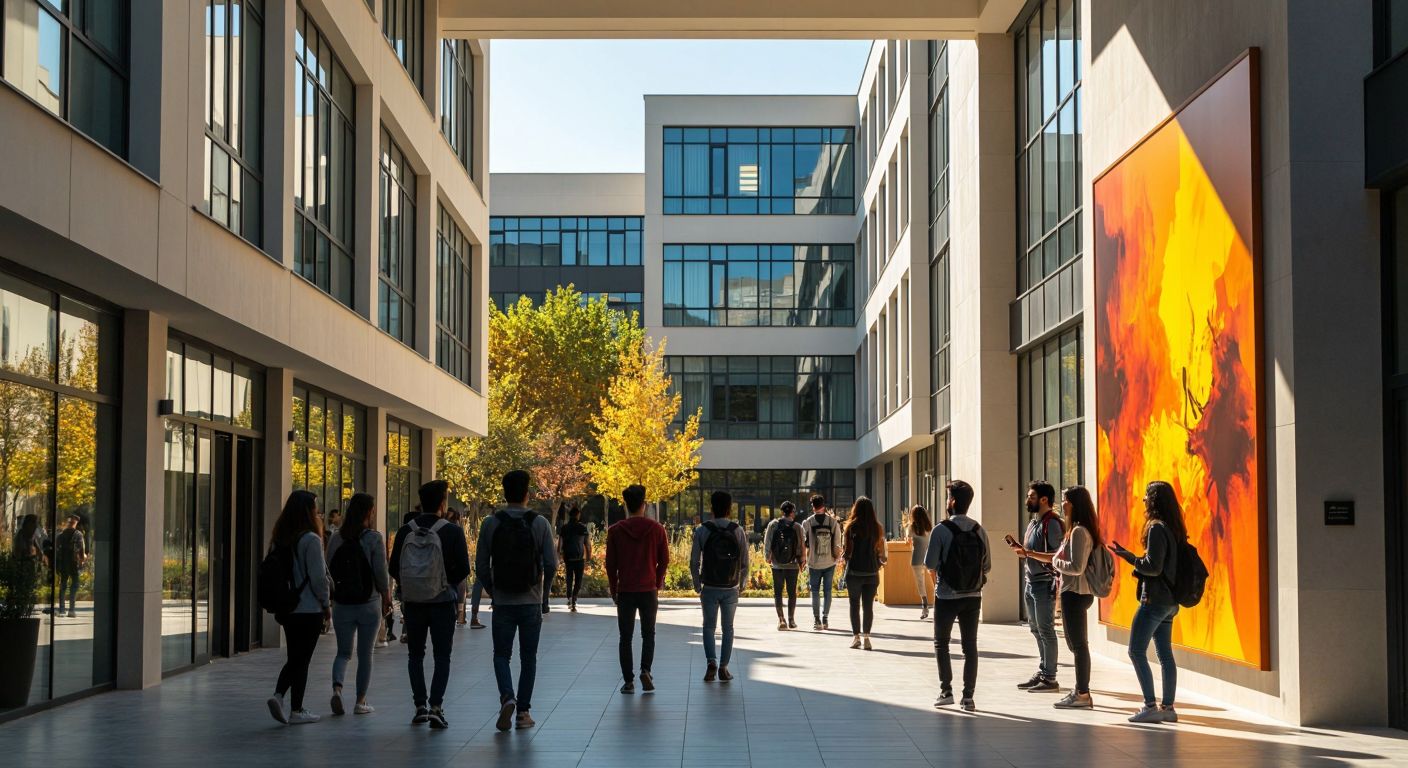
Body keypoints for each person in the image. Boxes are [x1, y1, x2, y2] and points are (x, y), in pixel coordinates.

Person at [476, 470, 558, 731]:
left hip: (503, 602)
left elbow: (480, 566)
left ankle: (507, 696)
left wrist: (494, 589)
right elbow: (551, 563)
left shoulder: (491, 523)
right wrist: (543, 595)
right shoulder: (540, 523)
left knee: (501, 654)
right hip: (530, 601)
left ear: (504, 493)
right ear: (527, 493)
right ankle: (523, 713)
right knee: (528, 657)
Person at [1012, 486, 1105, 709]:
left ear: (1073, 504)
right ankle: (1079, 690)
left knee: (1078, 645)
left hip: (1076, 592)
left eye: (1065, 500)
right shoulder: (1072, 529)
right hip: (1070, 591)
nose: (1061, 504)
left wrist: (1054, 561)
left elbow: (1076, 566)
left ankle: (1081, 692)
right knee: (1074, 644)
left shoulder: (1079, 531)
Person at [389, 481, 471, 729]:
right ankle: (436, 706)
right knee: (442, 655)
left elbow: (394, 567)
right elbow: (464, 569)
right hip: (442, 602)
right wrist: (444, 583)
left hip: (413, 603)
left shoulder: (406, 531)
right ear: (443, 503)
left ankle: (419, 706)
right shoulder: (452, 531)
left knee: (415, 655)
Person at [1110, 480, 1185, 724]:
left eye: (1146, 496)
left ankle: (1150, 705)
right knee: (1165, 655)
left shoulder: (1156, 529)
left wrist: (1130, 558)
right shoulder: (1174, 529)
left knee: (1135, 651)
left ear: (1153, 500)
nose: (1143, 500)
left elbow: (1153, 567)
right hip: (1170, 602)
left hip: (1154, 601)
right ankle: (1168, 707)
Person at [265, 490, 330, 725]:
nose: (318, 511)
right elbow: (318, 577)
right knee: (302, 660)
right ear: (308, 511)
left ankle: (282, 698)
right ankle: (293, 705)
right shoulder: (311, 539)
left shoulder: (281, 537)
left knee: (295, 657)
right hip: (309, 608)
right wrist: (326, 604)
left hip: (288, 608)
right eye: (315, 507)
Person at [925, 480, 990, 712]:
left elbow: (930, 563)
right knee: (969, 646)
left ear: (951, 502)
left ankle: (946, 691)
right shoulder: (979, 530)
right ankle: (968, 697)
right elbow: (987, 566)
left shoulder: (941, 530)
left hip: (946, 595)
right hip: (973, 596)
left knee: (941, 643)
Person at [326, 493, 391, 716]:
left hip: (342, 603)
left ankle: (337, 689)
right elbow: (381, 573)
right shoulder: (374, 538)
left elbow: (328, 569)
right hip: (369, 602)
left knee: (343, 652)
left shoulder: (336, 537)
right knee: (366, 654)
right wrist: (386, 596)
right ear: (369, 512)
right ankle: (360, 701)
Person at [605, 484, 669, 694]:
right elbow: (664, 560)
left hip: (626, 590)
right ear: (644, 504)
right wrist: (657, 582)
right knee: (648, 633)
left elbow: (610, 564)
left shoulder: (615, 531)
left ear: (626, 504)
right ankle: (646, 670)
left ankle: (628, 681)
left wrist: (614, 589)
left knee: (625, 637)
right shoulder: (657, 530)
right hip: (648, 589)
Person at [1006, 480, 1064, 692]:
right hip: (1030, 581)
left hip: (1044, 583)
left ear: (1044, 499)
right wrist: (1023, 551)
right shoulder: (1033, 523)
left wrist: (1028, 553)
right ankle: (1043, 671)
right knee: (1035, 629)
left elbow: (1057, 557)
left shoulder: (1053, 523)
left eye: (1031, 497)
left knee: (1046, 630)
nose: (1026, 500)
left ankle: (1050, 677)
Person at [691, 490, 749, 682]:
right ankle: (724, 667)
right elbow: (745, 563)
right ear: (729, 508)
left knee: (708, 626)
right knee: (728, 628)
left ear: (711, 507)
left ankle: (711, 662)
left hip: (710, 585)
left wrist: (697, 584)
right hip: (730, 587)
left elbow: (694, 562)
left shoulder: (702, 530)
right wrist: (740, 585)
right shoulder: (737, 530)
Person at [841, 496, 885, 650]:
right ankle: (867, 638)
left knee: (854, 605)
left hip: (854, 572)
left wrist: (843, 559)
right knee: (868, 606)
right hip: (872, 572)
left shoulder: (851, 527)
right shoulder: (877, 528)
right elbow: (881, 552)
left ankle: (856, 637)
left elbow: (847, 551)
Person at [799, 494, 841, 631]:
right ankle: (825, 618)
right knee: (828, 591)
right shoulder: (833, 522)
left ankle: (817, 620)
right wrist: (836, 557)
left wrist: (803, 557)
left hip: (814, 562)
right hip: (829, 562)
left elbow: (800, 540)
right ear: (824, 506)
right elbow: (837, 543)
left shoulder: (808, 522)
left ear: (813, 506)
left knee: (815, 591)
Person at [763, 501, 805, 630]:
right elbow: (801, 546)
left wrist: (768, 557)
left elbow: (767, 542)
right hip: (792, 565)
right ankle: (791, 620)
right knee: (792, 592)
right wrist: (802, 561)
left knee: (778, 592)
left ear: (782, 512)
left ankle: (781, 620)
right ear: (792, 512)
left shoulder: (773, 524)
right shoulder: (797, 527)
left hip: (777, 564)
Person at [558, 505, 591, 612]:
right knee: (578, 580)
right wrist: (589, 556)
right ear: (578, 515)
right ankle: (574, 598)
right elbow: (587, 544)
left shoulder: (564, 528)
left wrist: (559, 554)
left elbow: (560, 543)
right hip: (579, 557)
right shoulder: (582, 527)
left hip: (568, 557)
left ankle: (569, 597)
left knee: (569, 578)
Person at [54, 514, 86, 618]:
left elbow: (56, 550)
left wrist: (57, 565)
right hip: (74, 564)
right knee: (74, 585)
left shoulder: (61, 535)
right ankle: (71, 610)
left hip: (64, 563)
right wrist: (82, 559)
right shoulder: (78, 534)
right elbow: (81, 550)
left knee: (63, 585)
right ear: (75, 523)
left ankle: (62, 610)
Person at [909, 505, 933, 621]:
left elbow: (909, 541)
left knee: (920, 583)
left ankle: (925, 606)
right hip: (929, 557)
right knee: (935, 581)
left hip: (917, 558)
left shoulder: (912, 527)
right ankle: (939, 605)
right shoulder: (929, 527)